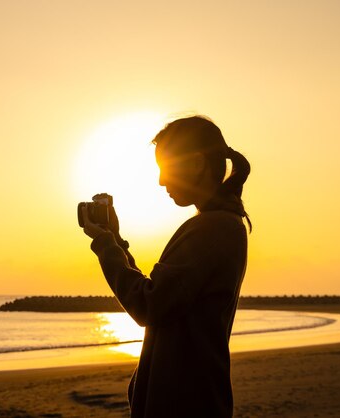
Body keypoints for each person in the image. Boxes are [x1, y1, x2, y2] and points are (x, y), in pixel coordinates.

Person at [80, 115, 251, 417]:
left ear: (196, 164)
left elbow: (147, 305)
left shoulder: (212, 229)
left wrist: (106, 246)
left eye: (166, 168)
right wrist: (116, 241)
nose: (161, 181)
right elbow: (158, 296)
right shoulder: (220, 225)